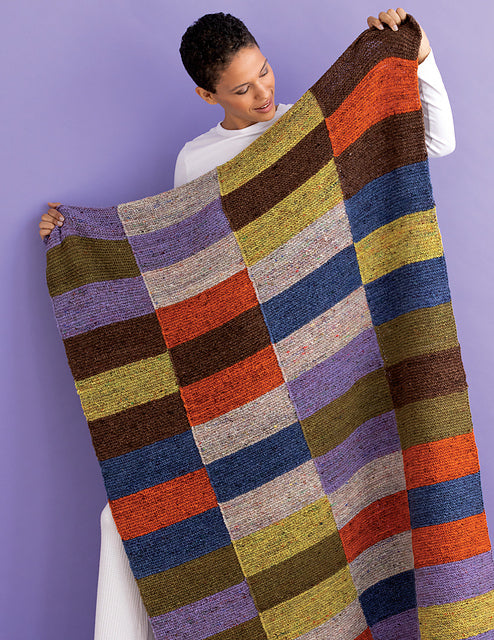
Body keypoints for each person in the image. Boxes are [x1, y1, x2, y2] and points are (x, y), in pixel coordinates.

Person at [39, 9, 456, 639]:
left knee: (360, 497)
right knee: (138, 518)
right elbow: (180, 273)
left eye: (264, 72)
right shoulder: (196, 162)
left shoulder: (309, 128)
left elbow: (432, 142)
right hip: (249, 375)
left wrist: (419, 53)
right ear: (206, 95)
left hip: (334, 357)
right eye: (242, 88)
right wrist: (77, 238)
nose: (263, 93)